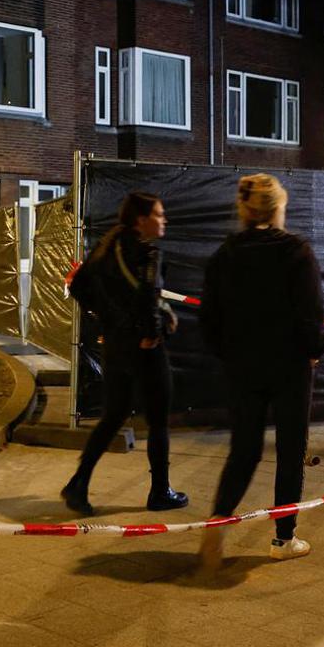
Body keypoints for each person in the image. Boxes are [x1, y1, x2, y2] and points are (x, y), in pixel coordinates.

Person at [197, 173, 324, 567]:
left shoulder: (225, 254)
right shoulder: (296, 251)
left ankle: (218, 521)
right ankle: (283, 538)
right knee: (290, 451)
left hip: (242, 365)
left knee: (244, 449)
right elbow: (311, 312)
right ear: (276, 208)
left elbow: (209, 318)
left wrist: (228, 353)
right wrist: (313, 351)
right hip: (289, 366)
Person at [61, 191, 188, 517]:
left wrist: (109, 322)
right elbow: (147, 297)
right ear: (141, 219)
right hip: (146, 350)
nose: (164, 220)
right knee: (159, 419)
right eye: (159, 214)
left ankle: (78, 483)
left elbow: (78, 287)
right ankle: (160, 492)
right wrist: (149, 332)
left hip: (116, 346)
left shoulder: (108, 244)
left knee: (113, 416)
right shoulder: (148, 253)